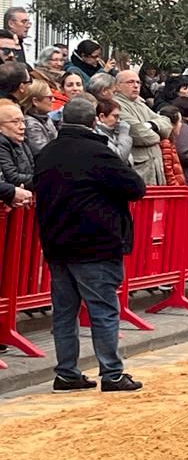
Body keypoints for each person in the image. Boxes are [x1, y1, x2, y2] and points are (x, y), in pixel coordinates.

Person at [32, 97, 147, 392]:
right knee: (103, 309)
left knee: (64, 312)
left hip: (57, 243)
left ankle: (67, 373)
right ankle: (112, 373)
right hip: (96, 243)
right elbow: (135, 187)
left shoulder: (47, 152)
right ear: (94, 120)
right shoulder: (98, 152)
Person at [114, 70, 172, 185]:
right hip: (138, 172)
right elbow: (140, 134)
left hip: (155, 170)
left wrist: (151, 125)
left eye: (138, 82)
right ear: (118, 86)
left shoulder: (141, 103)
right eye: (130, 82)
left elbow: (167, 124)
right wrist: (158, 134)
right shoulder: (115, 105)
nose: (136, 85)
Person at [0, 99, 34, 188]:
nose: (23, 126)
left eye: (23, 121)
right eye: (15, 122)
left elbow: (33, 168)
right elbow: (12, 178)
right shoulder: (2, 144)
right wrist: (43, 179)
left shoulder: (20, 140)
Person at [19, 79, 58, 155]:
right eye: (50, 97)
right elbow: (44, 153)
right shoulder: (30, 124)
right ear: (35, 101)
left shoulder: (45, 117)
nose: (53, 100)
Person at [95, 98, 133, 164]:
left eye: (119, 117)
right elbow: (120, 157)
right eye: (115, 116)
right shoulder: (98, 135)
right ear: (102, 117)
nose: (118, 121)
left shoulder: (115, 131)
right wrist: (124, 133)